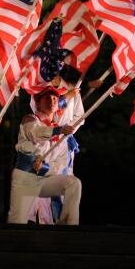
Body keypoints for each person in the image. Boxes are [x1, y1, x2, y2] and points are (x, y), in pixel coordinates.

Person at [8, 86, 82, 225]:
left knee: (73, 183)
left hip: (43, 179)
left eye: (55, 98)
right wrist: (58, 130)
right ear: (38, 103)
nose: (52, 100)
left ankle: (69, 227)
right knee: (16, 224)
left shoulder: (56, 130)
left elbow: (57, 159)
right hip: (25, 179)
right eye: (47, 98)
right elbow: (34, 133)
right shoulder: (30, 119)